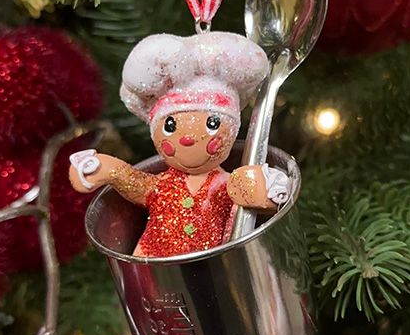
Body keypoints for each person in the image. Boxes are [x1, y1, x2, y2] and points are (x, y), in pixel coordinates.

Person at [70, 31, 290, 258]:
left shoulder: (226, 185)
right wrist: (106, 169)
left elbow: (254, 192)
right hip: (151, 265)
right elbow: (135, 182)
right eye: (170, 126)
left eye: (212, 124)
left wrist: (262, 187)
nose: (188, 139)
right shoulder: (161, 185)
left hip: (215, 269)